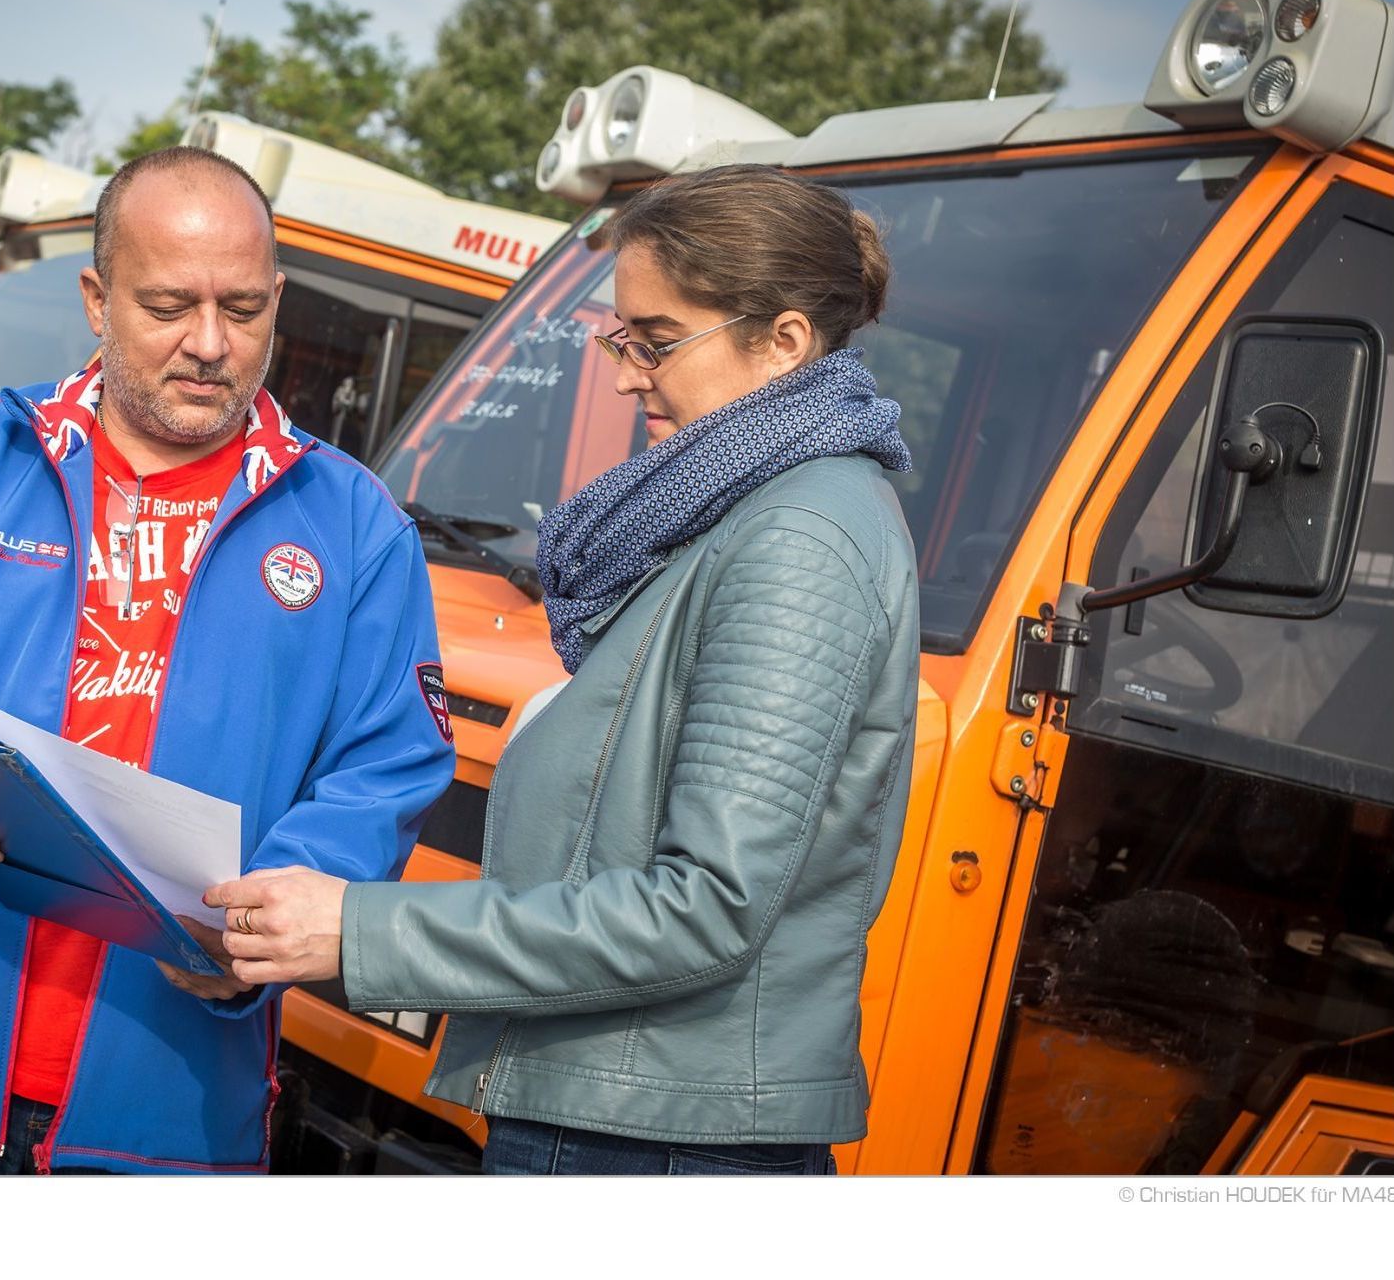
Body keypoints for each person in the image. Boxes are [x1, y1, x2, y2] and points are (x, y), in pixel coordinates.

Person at [207, 162, 920, 1176]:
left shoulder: (798, 539)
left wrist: (360, 928)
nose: (628, 373)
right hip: (629, 1102)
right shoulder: (741, 511)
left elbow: (704, 904)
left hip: (656, 1130)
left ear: (786, 341)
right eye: (621, 336)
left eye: (659, 340)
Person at [0, 146, 456, 1174]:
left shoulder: (355, 528)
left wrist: (275, 915)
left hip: (165, 1104)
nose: (211, 343)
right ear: (97, 296)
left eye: (245, 307)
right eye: (169, 304)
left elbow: (386, 766)